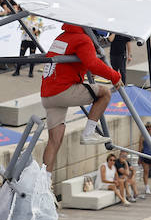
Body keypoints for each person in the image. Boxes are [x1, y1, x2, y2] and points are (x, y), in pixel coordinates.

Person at [40, 23, 120, 174]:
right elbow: (93, 62)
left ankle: (44, 178)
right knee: (105, 93)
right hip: (63, 90)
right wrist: (114, 76)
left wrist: (86, 69)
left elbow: (71, 60)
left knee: (54, 140)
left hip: (48, 93)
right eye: (98, 38)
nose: (97, 41)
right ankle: (88, 133)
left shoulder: (62, 37)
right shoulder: (83, 39)